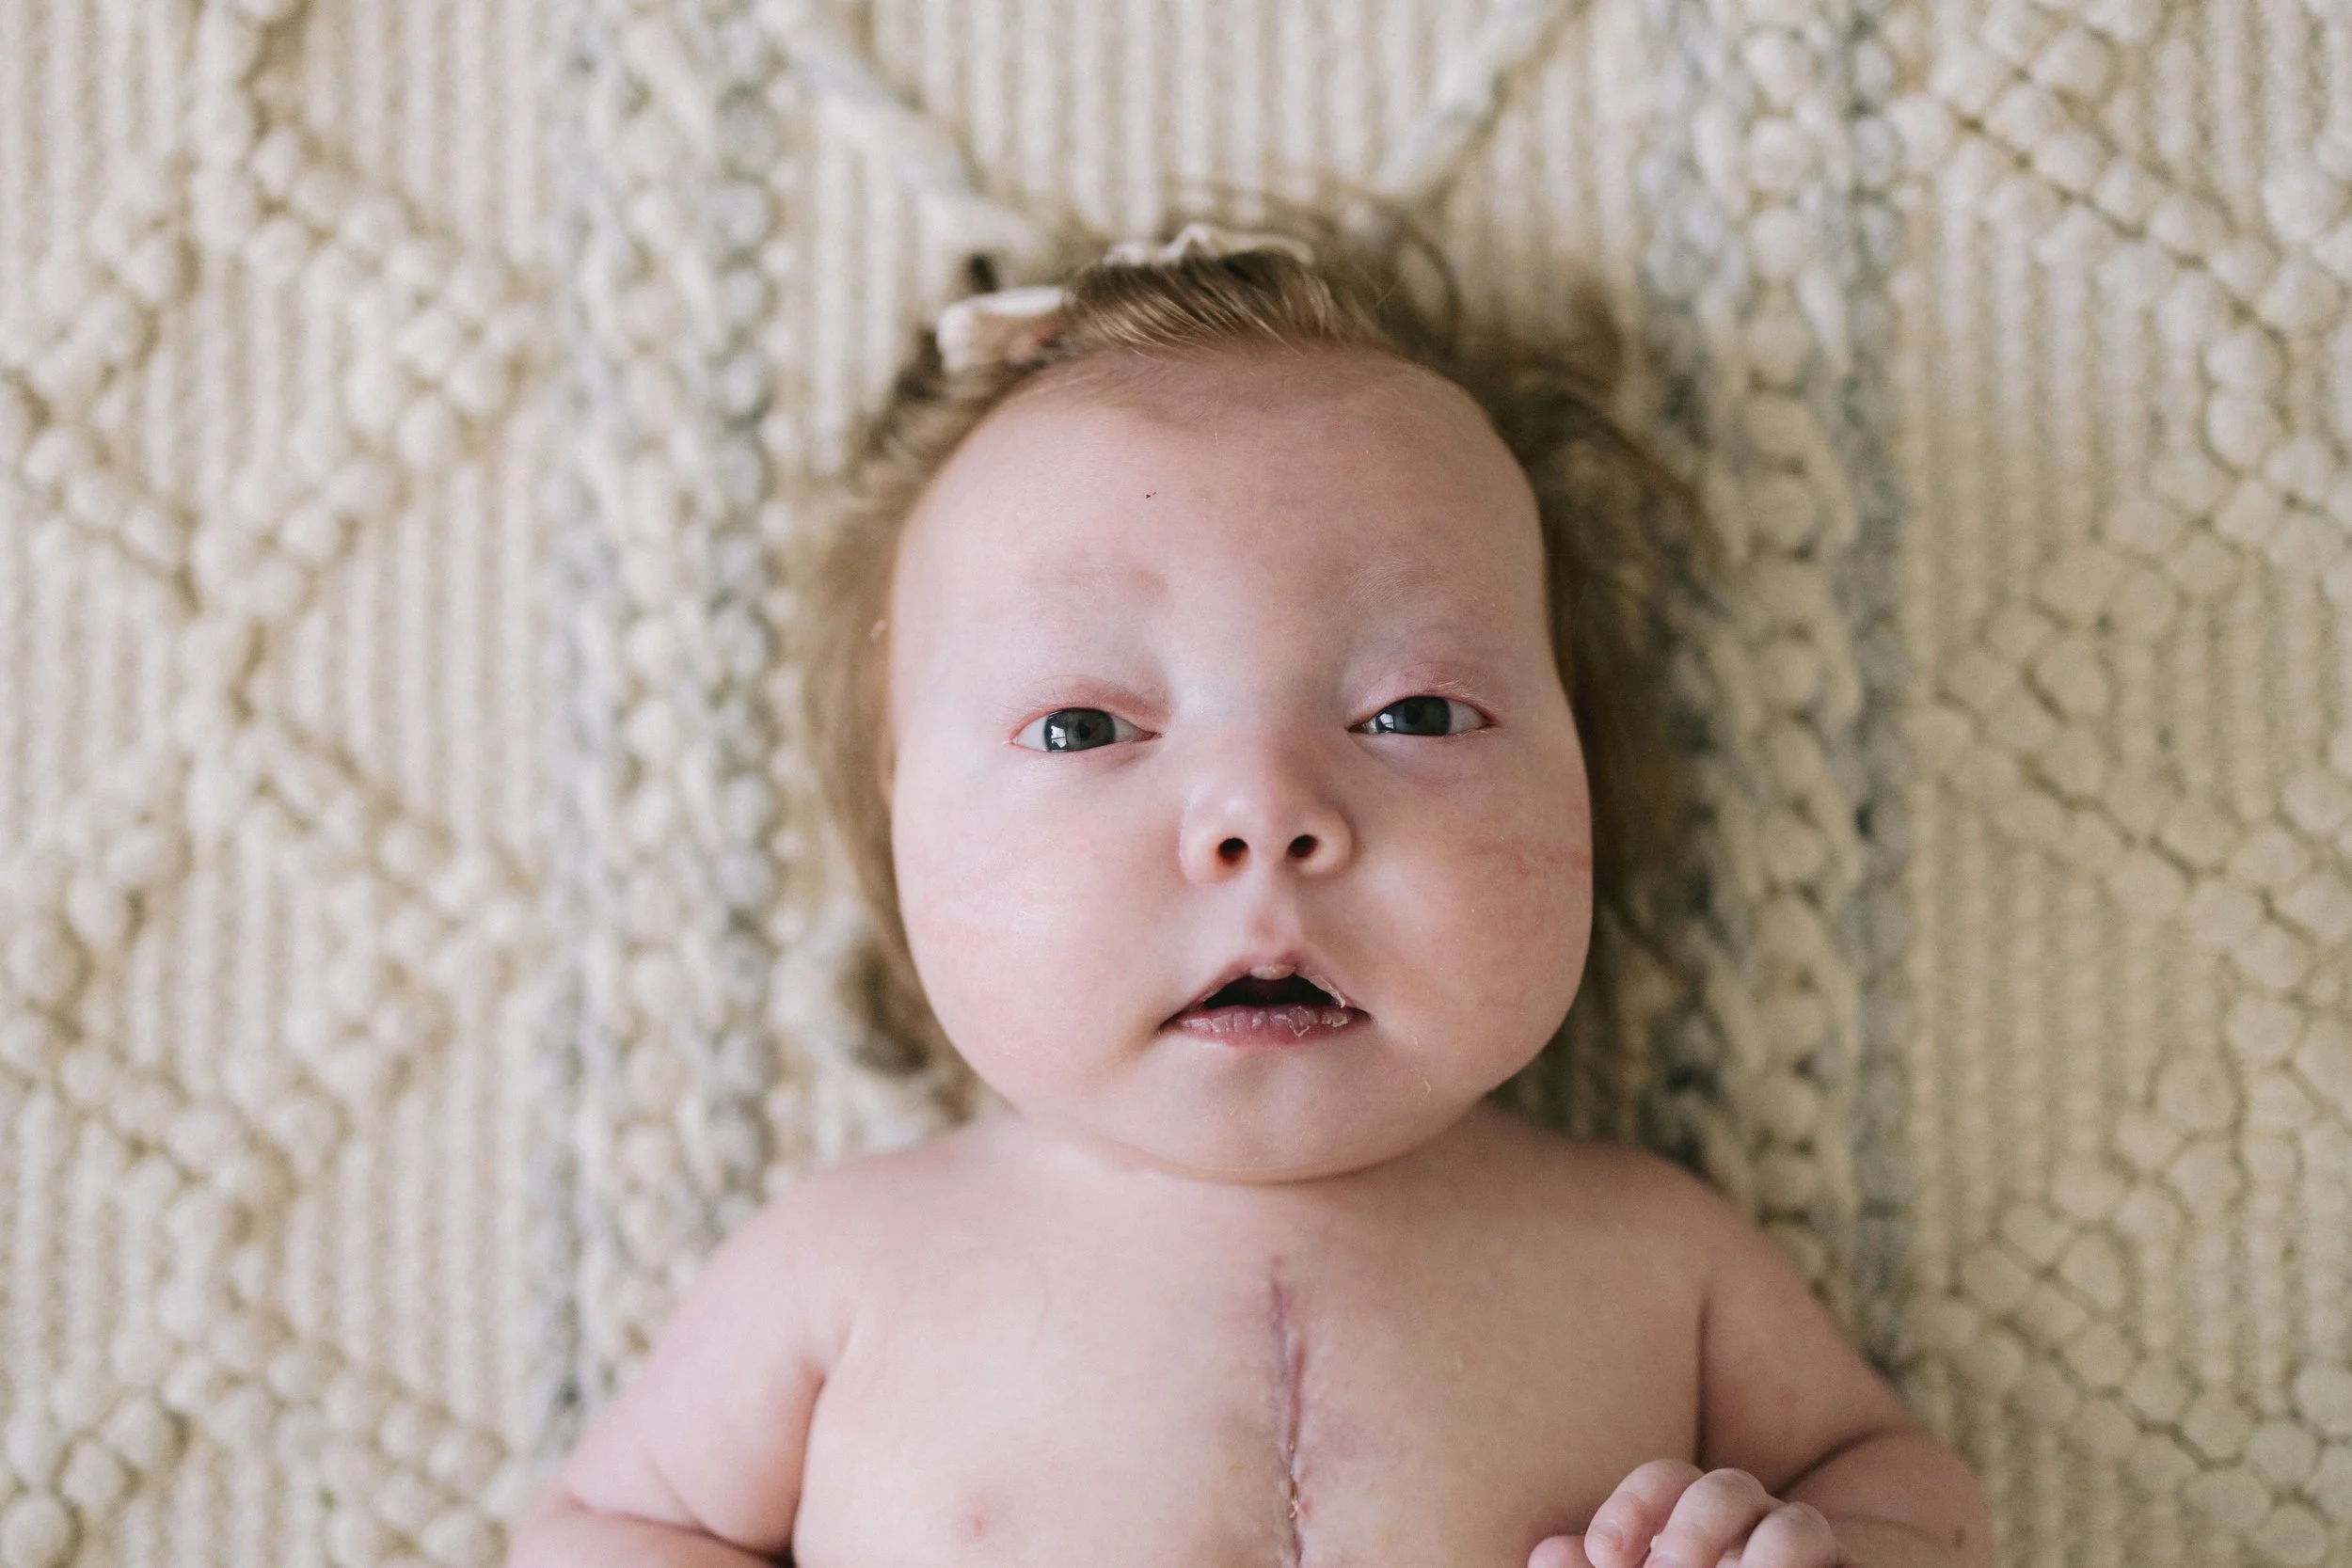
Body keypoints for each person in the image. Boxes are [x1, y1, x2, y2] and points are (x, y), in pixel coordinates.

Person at [508, 216, 1992, 1568]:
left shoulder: (1656, 1253)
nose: (1267, 816)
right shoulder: (845, 1268)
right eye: (1086, 727)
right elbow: (602, 1530)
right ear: (894, 819)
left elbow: (1906, 1484)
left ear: (1586, 772)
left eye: (1413, 712)